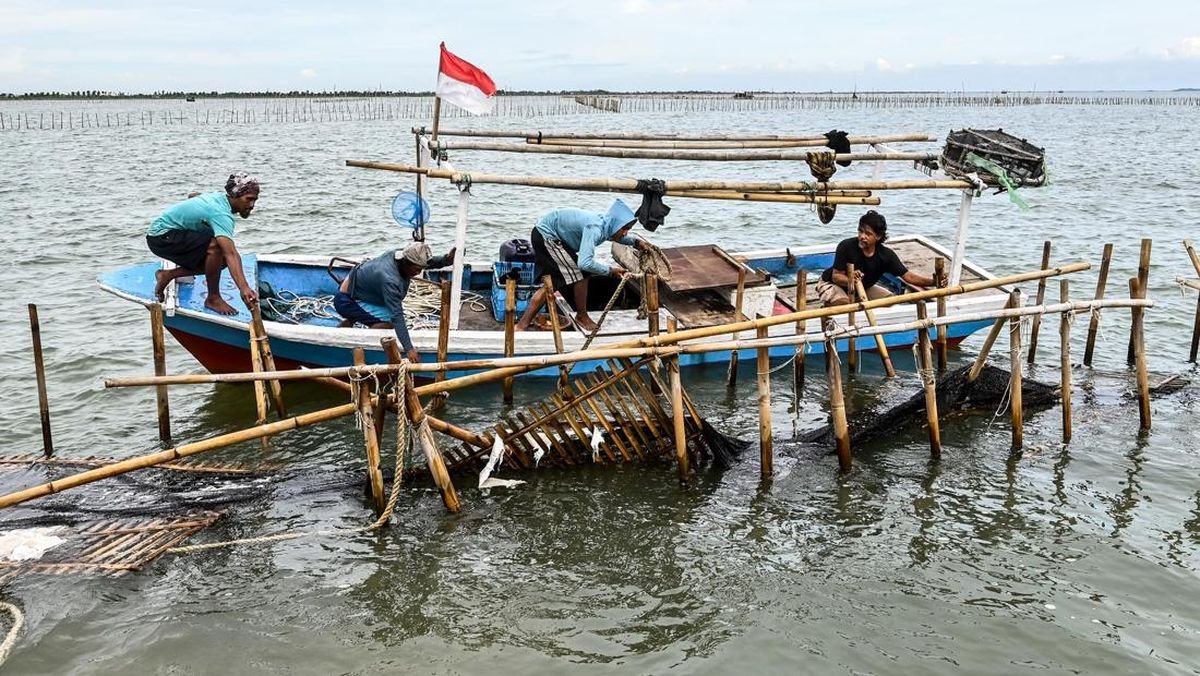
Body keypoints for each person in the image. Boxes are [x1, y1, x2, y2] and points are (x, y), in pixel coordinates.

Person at [515, 198, 652, 333]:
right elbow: (584, 263)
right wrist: (610, 271)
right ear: (615, 224)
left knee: (556, 281)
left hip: (547, 234)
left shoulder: (605, 224)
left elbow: (615, 236)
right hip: (547, 237)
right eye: (624, 229)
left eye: (628, 230)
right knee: (578, 275)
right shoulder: (595, 228)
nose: (625, 233)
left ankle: (522, 325)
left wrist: (636, 242)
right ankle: (580, 316)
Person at [146, 172, 261, 315]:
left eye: (255, 200)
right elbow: (231, 253)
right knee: (217, 248)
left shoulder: (220, 199)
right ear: (234, 196)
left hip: (172, 235)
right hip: (161, 237)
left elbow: (194, 196)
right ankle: (213, 298)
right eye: (248, 199)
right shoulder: (221, 214)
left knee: (222, 261)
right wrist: (244, 289)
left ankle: (168, 275)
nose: (251, 205)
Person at [333, 242, 456, 363]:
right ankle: (364, 345)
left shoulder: (400, 255)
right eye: (417, 269)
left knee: (388, 316)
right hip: (347, 300)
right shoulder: (390, 280)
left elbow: (426, 262)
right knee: (388, 323)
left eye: (421, 269)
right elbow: (397, 316)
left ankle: (352, 319)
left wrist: (446, 260)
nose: (419, 273)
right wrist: (409, 349)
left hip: (359, 289)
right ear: (406, 263)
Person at [815, 210, 943, 306]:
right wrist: (851, 279)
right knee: (845, 304)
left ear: (878, 236)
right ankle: (827, 312)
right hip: (832, 283)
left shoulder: (886, 255)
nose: (862, 236)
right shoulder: (846, 246)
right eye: (860, 231)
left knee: (890, 301)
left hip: (863, 287)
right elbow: (836, 277)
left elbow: (908, 277)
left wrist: (933, 282)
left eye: (868, 234)